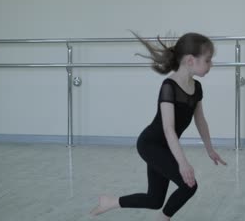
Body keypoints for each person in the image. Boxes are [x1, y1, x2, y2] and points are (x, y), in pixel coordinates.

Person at [90, 32, 227, 220]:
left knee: (154, 199)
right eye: (208, 60)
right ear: (190, 61)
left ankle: (110, 202)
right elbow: (168, 128)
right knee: (189, 185)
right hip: (150, 144)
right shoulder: (169, 86)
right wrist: (183, 163)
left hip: (166, 146)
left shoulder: (197, 88)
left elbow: (200, 120)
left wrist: (210, 149)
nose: (211, 64)